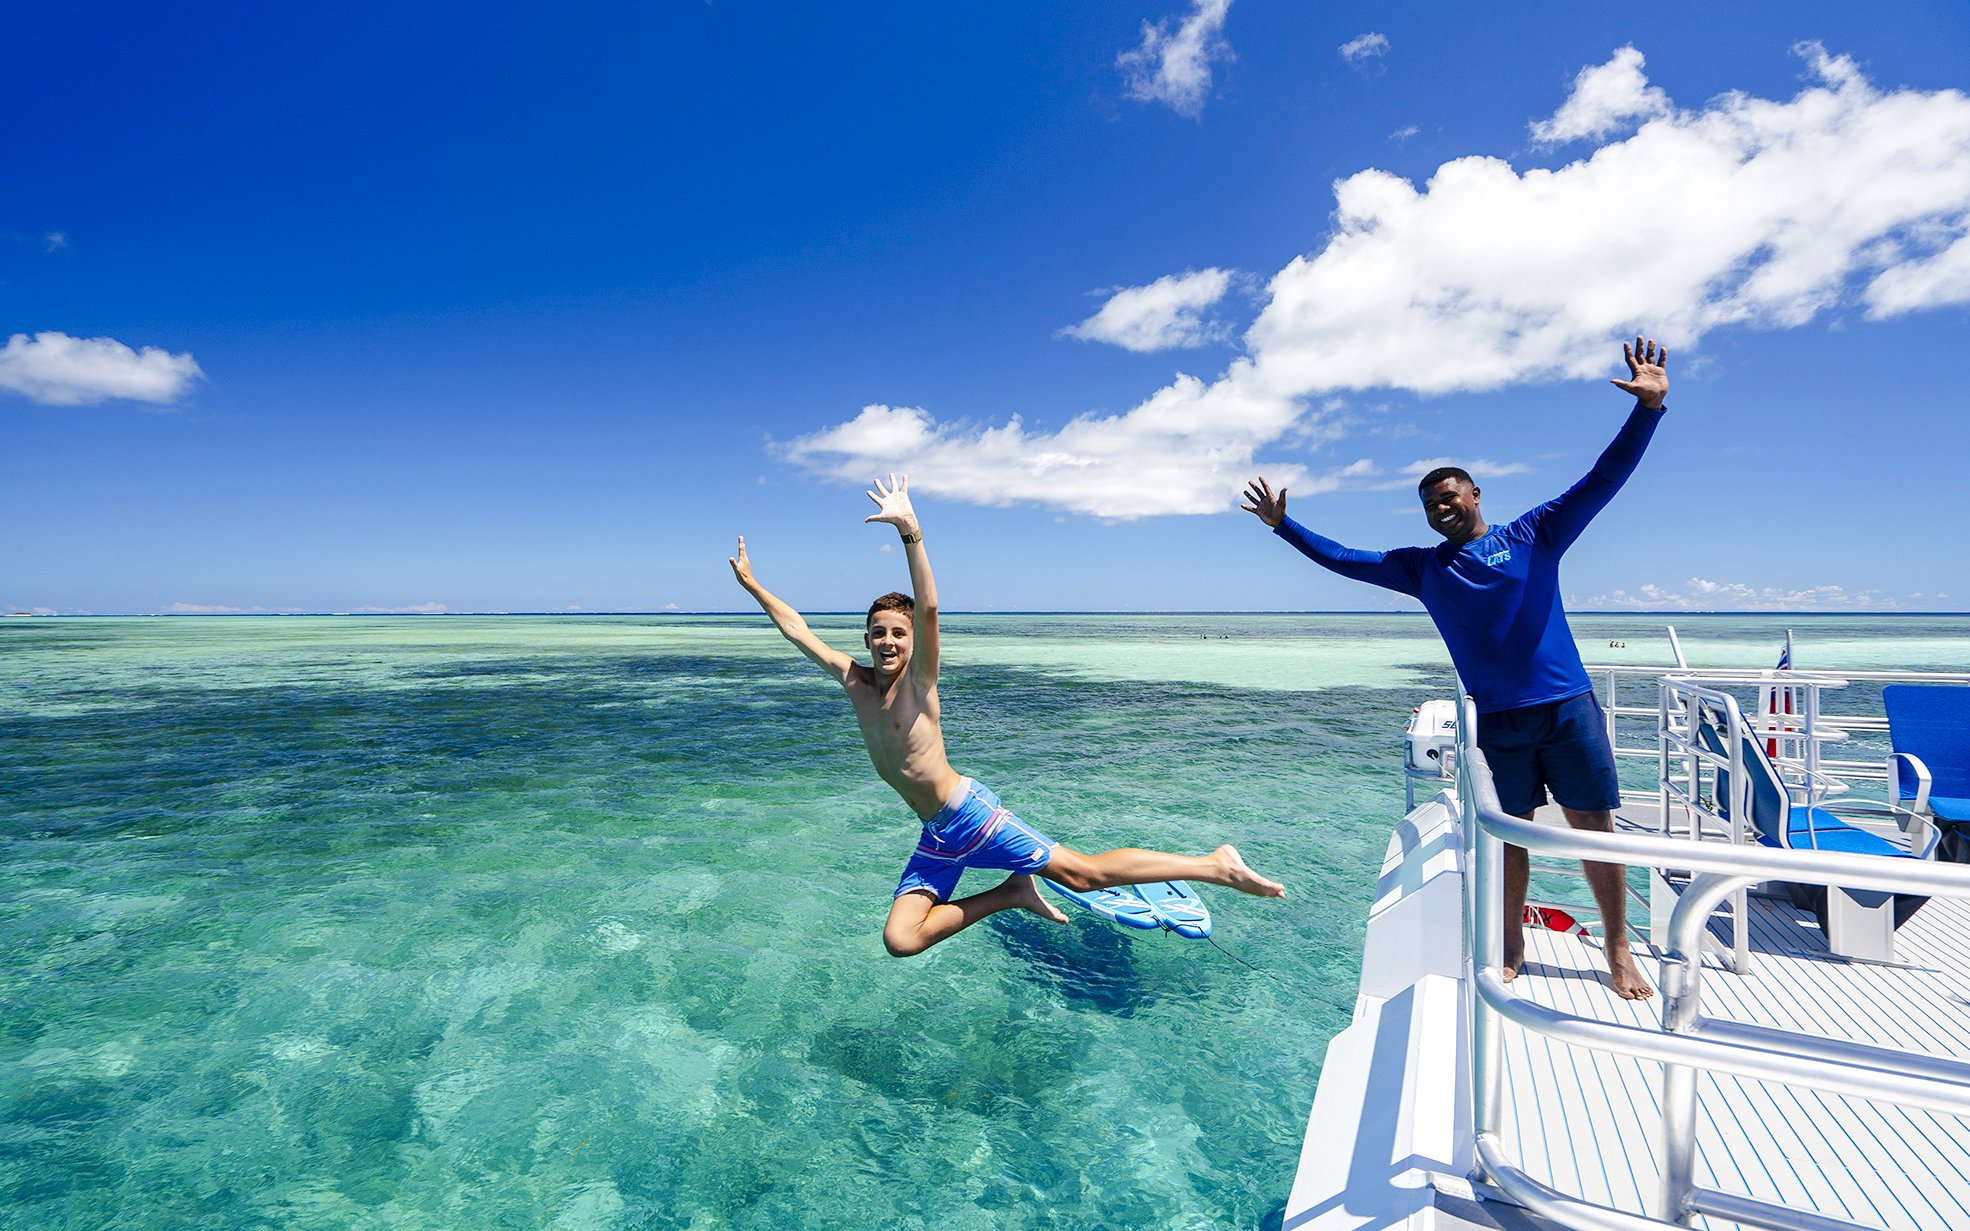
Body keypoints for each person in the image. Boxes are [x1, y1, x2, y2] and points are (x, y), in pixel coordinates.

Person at [1241, 338, 1670, 1001]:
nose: (1442, 508)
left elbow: (1603, 479)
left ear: (1475, 492)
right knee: (1509, 837)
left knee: (1595, 829)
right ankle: (1510, 943)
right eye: (1431, 504)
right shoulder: (1423, 569)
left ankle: (1618, 946)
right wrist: (1283, 527)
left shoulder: (1534, 534)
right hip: (1498, 717)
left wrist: (1648, 410)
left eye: (1450, 496)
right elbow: (1345, 559)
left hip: (1567, 707)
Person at [729, 474, 1286, 958]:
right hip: (937, 835)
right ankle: (1010, 895)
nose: (889, 641)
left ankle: (1215, 866)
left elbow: (928, 607)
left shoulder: (920, 681)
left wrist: (910, 532)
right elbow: (797, 628)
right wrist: (754, 586)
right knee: (901, 939)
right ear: (866, 638)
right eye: (879, 633)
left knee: (1082, 874)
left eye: (899, 633)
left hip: (972, 816)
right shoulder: (855, 682)